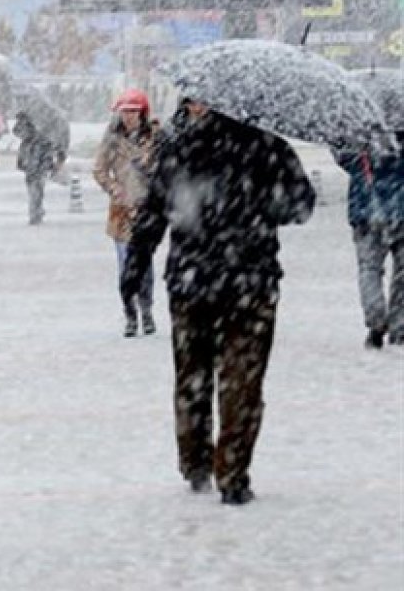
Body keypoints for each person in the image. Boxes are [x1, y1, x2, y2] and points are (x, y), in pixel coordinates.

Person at [123, 99, 315, 506]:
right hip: (251, 281)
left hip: (192, 281)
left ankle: (195, 462)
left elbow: (154, 209)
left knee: (192, 376)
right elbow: (301, 207)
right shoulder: (269, 147)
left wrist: (136, 262)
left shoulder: (182, 147)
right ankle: (233, 473)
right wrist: (261, 203)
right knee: (242, 382)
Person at [93, 88, 158, 337]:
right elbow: (99, 170)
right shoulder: (111, 138)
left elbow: (165, 167)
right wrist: (113, 187)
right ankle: (130, 313)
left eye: (133, 111)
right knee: (125, 265)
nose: (129, 117)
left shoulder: (154, 137)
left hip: (146, 209)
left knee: (145, 265)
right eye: (125, 112)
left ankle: (147, 310)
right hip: (121, 211)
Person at [334, 133, 404, 348]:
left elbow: (343, 158)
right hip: (400, 209)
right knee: (402, 273)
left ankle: (376, 321)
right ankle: (400, 325)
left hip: (365, 209)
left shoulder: (358, 133)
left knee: (369, 269)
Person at [13, 110, 66, 225]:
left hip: (39, 167)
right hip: (33, 168)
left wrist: (57, 162)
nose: (20, 135)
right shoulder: (27, 141)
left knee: (36, 190)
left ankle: (35, 213)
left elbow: (57, 149)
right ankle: (36, 211)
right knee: (35, 190)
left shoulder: (40, 139)